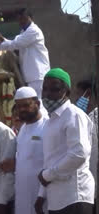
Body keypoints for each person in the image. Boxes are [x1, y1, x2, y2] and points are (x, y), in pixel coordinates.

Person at [38, 68, 94, 214]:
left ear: (66, 93)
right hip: (56, 199)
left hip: (75, 197)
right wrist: (41, 195)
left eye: (54, 89)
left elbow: (79, 154)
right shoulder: (50, 122)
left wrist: (48, 175)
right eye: (45, 89)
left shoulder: (74, 115)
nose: (48, 94)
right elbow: (49, 161)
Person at [0, 8, 50, 99]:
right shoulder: (24, 32)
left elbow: (15, 44)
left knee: (37, 102)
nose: (21, 22)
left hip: (37, 74)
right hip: (31, 75)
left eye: (24, 19)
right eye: (19, 19)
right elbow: (14, 43)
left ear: (31, 18)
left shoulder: (33, 31)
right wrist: (3, 40)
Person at [13, 87, 48, 214]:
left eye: (26, 105)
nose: (21, 109)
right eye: (18, 106)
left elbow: (49, 164)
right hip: (22, 196)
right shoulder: (22, 130)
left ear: (37, 104)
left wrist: (42, 196)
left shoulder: (47, 125)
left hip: (41, 197)